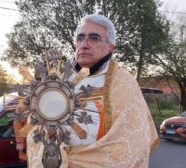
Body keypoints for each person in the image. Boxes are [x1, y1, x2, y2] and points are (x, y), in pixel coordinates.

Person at [26, 14, 159, 167]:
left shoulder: (124, 83)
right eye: (80, 38)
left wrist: (74, 162)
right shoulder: (57, 80)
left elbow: (133, 141)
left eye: (94, 38)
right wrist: (54, 154)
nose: (84, 44)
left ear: (111, 47)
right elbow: (34, 128)